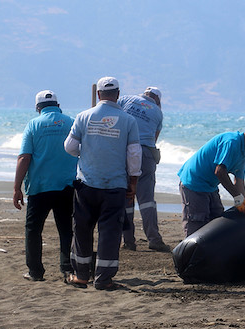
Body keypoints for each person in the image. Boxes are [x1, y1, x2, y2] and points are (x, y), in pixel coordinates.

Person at [63, 77, 142, 290]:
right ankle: (103, 279)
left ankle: (81, 276)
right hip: (114, 186)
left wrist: (86, 153)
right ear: (117, 94)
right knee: (109, 232)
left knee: (82, 229)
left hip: (87, 183)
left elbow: (70, 147)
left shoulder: (83, 116)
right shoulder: (128, 120)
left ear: (98, 95)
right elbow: (134, 155)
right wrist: (132, 182)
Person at [13, 90, 78, 282]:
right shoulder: (71, 121)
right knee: (66, 229)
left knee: (33, 229)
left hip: (40, 186)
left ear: (37, 108)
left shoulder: (33, 125)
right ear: (58, 105)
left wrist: (17, 187)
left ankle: (36, 272)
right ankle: (67, 269)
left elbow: (24, 157)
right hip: (67, 185)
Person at [177, 121, 245, 237]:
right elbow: (220, 172)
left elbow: (239, 182)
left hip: (210, 186)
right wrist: (237, 197)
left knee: (217, 222)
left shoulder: (243, 155)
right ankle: (190, 254)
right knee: (197, 224)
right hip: (193, 181)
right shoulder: (231, 142)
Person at [117, 87, 169, 252]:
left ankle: (129, 241)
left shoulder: (125, 99)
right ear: (157, 101)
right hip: (145, 153)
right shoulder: (158, 112)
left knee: (126, 197)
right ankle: (154, 238)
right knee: (146, 200)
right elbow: (154, 138)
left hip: (125, 151)